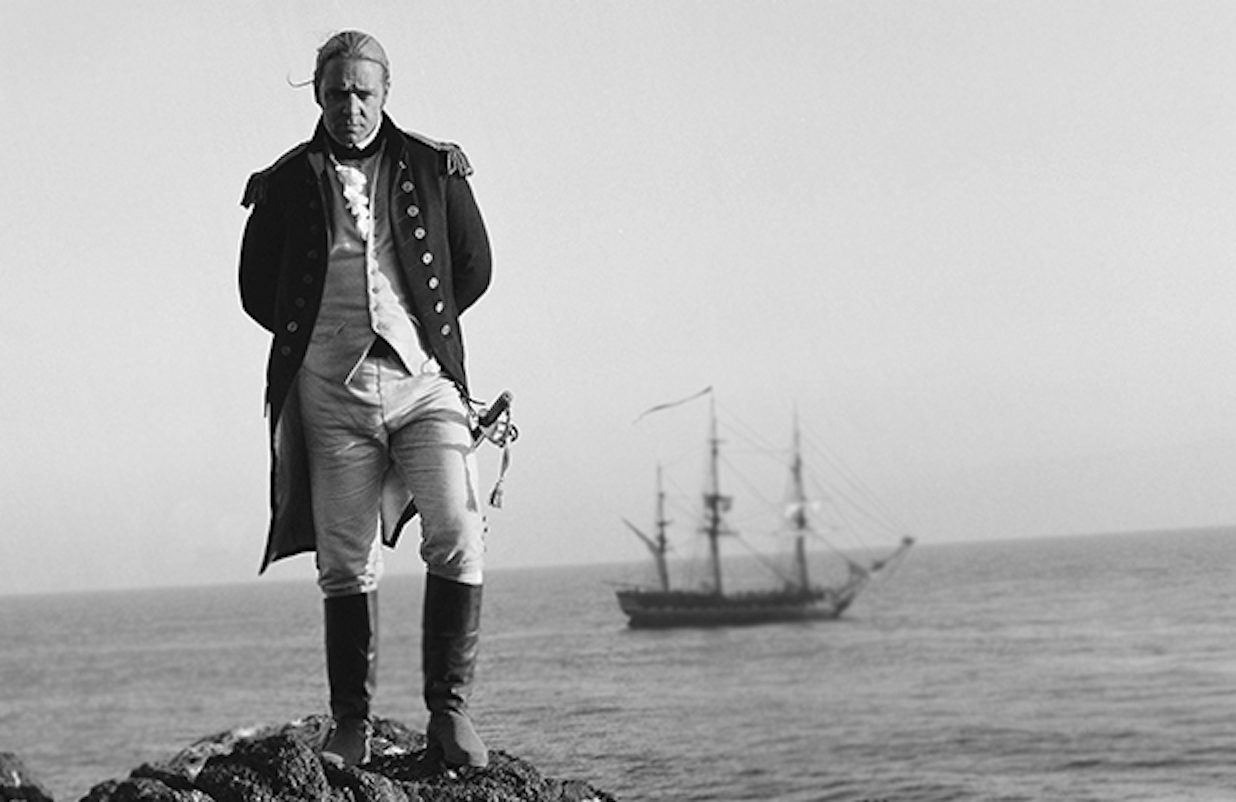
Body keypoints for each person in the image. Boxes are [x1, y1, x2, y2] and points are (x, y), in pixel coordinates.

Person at [238, 30, 493, 769]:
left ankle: (450, 714)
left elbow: (472, 269)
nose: (350, 106)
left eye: (364, 93)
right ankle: (352, 722)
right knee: (345, 561)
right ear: (317, 93)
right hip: (329, 388)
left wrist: (413, 323)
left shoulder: (434, 167)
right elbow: (257, 289)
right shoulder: (285, 181)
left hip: (424, 383)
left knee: (458, 527)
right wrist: (324, 333)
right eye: (337, 92)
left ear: (385, 93)